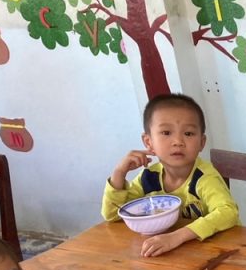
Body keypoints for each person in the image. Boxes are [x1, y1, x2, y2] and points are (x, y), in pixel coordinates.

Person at [102, 93, 239, 258]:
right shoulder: (149, 177)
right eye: (166, 132)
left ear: (201, 143)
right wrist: (119, 173)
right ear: (148, 142)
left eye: (188, 134)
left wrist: (176, 237)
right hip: (172, 255)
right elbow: (113, 215)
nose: (178, 141)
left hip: (218, 253)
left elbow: (228, 212)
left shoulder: (204, 178)